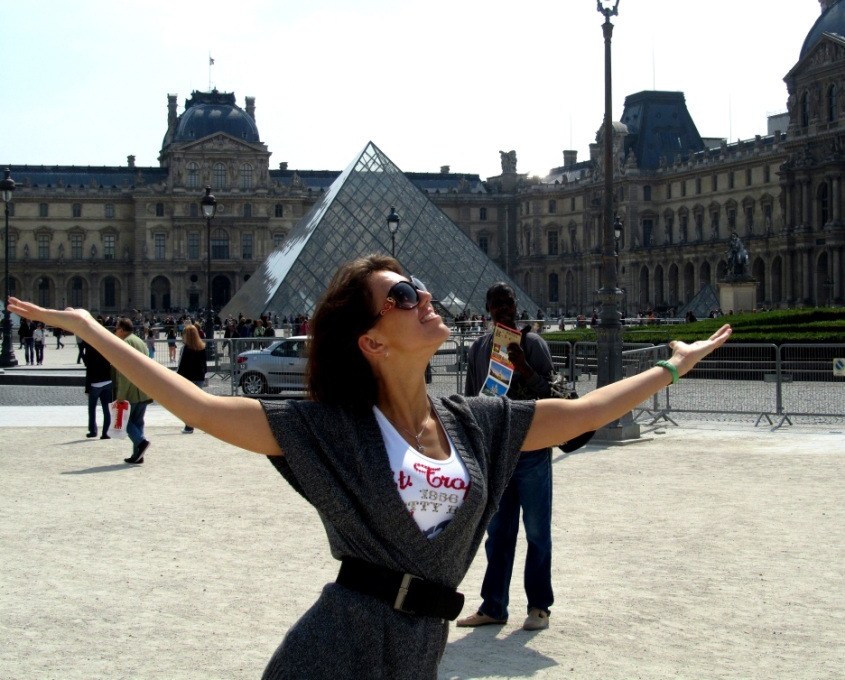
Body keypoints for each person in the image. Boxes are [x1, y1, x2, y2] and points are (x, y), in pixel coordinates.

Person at [6, 255, 732, 680]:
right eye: (402, 297)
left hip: (419, 651)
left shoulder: (478, 422)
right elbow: (195, 402)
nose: (424, 298)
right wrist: (90, 329)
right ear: (372, 341)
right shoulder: (329, 431)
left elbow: (581, 412)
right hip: (335, 650)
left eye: (419, 286)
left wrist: (675, 364)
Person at [457, 283, 561, 631]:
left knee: (537, 533)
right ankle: (493, 606)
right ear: (487, 309)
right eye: (496, 304)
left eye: (508, 302)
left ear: (515, 306)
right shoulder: (479, 348)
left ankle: (539, 606)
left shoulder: (533, 344)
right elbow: (472, 400)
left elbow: (553, 393)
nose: (503, 308)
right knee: (498, 533)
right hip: (497, 452)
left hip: (532, 448)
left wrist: (525, 369)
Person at [113, 317, 153, 465]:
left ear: (122, 330)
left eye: (116, 329)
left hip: (130, 391)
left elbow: (125, 374)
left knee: (124, 421)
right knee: (138, 422)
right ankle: (138, 455)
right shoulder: (140, 342)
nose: (115, 332)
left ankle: (141, 442)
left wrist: (120, 396)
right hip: (143, 389)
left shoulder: (125, 344)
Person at [82, 324, 112, 439]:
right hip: (107, 381)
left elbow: (89, 369)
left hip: (95, 383)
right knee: (106, 409)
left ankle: (93, 430)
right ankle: (106, 432)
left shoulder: (90, 347)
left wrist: (87, 388)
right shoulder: (107, 346)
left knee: (92, 408)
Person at [176, 324, 207, 434]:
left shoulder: (185, 349)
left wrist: (177, 377)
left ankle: (189, 427)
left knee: (188, 404)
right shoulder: (202, 347)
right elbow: (205, 365)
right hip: (199, 378)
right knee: (198, 403)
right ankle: (205, 425)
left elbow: (181, 366)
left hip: (188, 379)